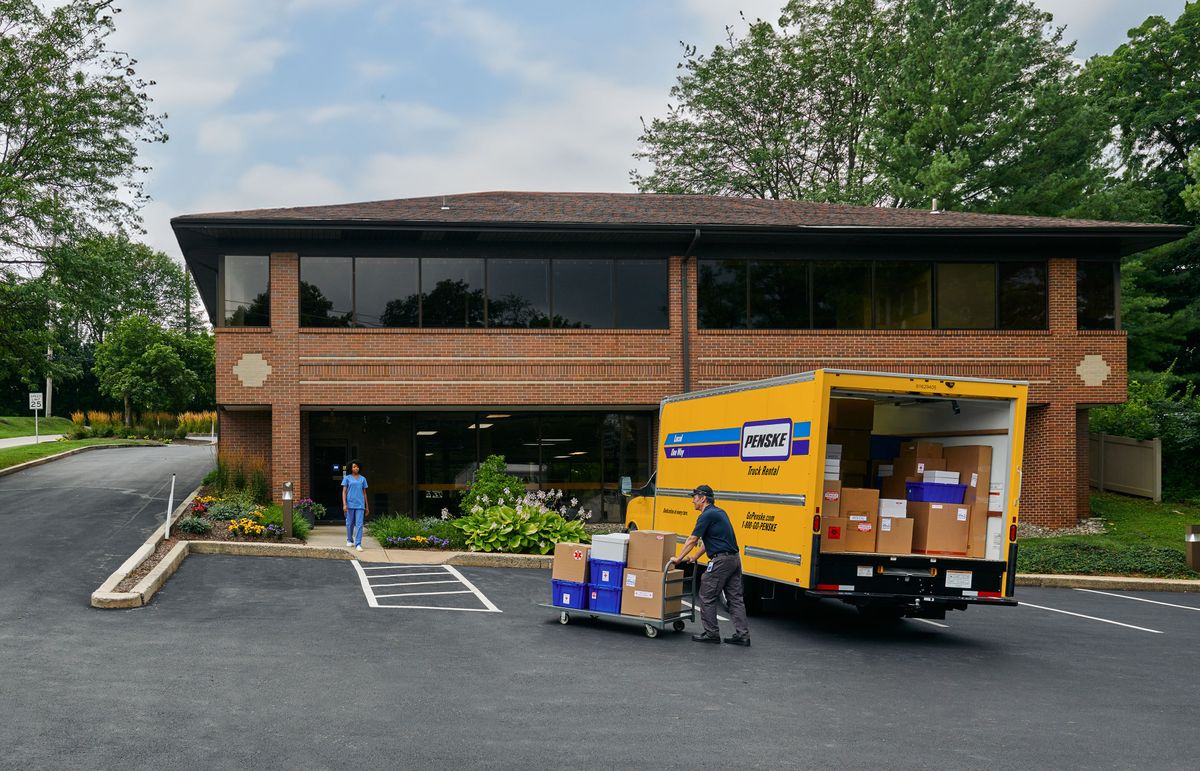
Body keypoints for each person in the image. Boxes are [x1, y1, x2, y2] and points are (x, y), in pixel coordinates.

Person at [673, 484, 750, 646]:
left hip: (721, 561)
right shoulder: (719, 513)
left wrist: (678, 558)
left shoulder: (706, 515)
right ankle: (743, 635)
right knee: (735, 599)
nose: (693, 501)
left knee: (707, 595)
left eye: (695, 498)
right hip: (734, 559)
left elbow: (692, 539)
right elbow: (710, 542)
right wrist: (694, 557)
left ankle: (711, 633)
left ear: (703, 499)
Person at [341, 460, 369, 552]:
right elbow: (344, 492)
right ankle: (349, 539)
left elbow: (364, 493)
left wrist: (367, 507)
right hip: (349, 504)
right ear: (351, 468)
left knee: (359, 524)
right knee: (349, 524)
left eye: (357, 467)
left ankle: (358, 544)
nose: (356, 468)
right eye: (354, 467)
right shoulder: (347, 478)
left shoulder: (363, 479)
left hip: (360, 505)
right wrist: (344, 504)